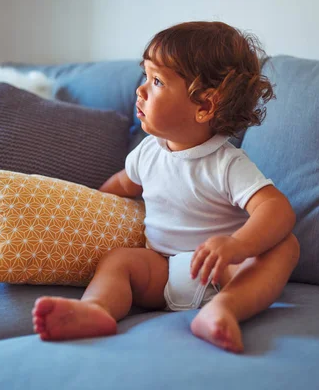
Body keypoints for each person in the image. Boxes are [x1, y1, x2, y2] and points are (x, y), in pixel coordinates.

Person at [32, 21, 300, 353]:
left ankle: (224, 309)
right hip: (160, 272)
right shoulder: (147, 151)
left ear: (204, 106)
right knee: (119, 261)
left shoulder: (226, 162)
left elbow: (276, 209)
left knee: (285, 246)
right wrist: (88, 206)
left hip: (224, 273)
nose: (141, 90)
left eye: (157, 81)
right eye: (145, 76)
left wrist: (237, 246)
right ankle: (96, 308)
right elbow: (121, 184)